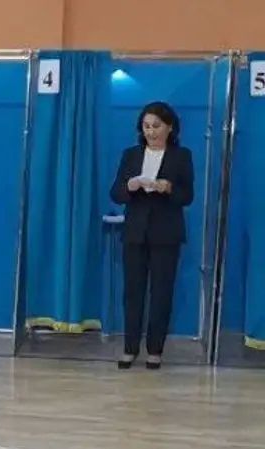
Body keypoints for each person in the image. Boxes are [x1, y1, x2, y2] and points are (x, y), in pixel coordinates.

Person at [110, 101, 194, 370]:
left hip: (166, 234)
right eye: (146, 126)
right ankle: (130, 348)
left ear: (169, 127)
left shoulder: (181, 156)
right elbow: (115, 193)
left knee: (161, 293)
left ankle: (155, 350)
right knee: (132, 293)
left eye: (156, 126)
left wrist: (168, 188)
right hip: (135, 233)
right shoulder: (130, 155)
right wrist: (130, 185)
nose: (151, 132)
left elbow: (187, 196)